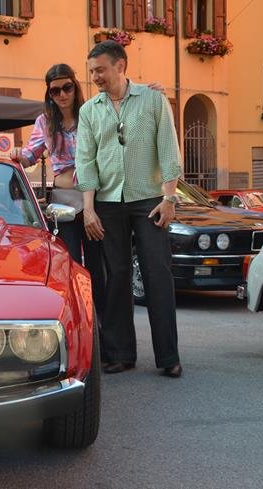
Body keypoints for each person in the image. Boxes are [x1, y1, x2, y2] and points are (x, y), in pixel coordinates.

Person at [75, 41, 183, 378]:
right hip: (107, 203)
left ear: (120, 66)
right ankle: (120, 354)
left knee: (157, 274)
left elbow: (169, 149)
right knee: (116, 277)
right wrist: (89, 209)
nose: (95, 77)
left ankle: (168, 356)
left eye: (100, 70)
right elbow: (85, 161)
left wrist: (169, 198)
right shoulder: (89, 111)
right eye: (92, 71)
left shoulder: (153, 100)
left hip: (149, 200)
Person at [9, 63, 106, 331]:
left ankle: (102, 329)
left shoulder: (90, 114)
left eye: (67, 88)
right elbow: (30, 155)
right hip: (65, 202)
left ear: (75, 87)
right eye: (55, 91)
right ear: (49, 94)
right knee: (70, 264)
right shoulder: (45, 121)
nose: (62, 95)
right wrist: (17, 154)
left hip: (96, 198)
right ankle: (78, 326)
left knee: (99, 267)